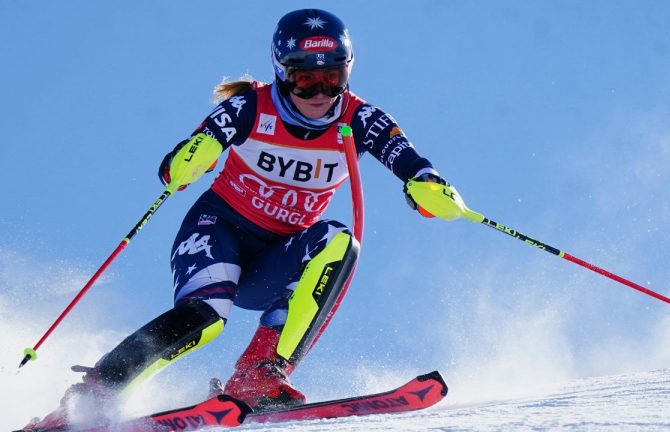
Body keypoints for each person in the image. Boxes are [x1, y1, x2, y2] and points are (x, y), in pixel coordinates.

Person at [24, 8, 466, 430]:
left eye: (331, 79)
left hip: (276, 257)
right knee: (207, 317)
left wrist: (429, 189)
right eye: (304, 79)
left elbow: (412, 163)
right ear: (281, 71)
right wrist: (190, 160)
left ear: (347, 72)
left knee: (338, 241)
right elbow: (181, 160)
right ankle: (97, 393)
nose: (318, 94)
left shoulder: (361, 118)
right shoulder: (251, 107)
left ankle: (260, 374)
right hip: (218, 233)